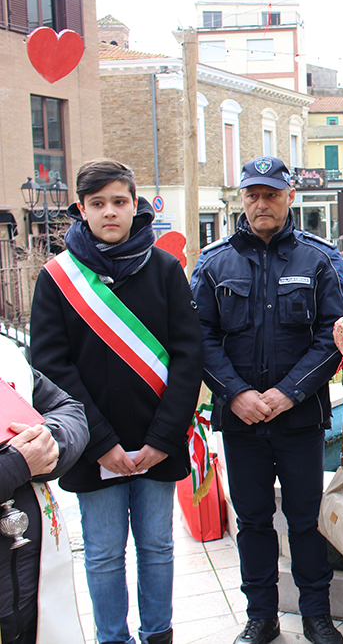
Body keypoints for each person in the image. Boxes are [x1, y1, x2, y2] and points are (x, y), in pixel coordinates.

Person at [30, 159, 204, 644]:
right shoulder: (56, 278)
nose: (110, 212)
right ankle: (113, 639)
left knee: (157, 546)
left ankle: (158, 635)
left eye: (120, 202)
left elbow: (189, 357)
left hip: (156, 442)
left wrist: (163, 438)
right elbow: (50, 369)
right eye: (98, 203)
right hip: (93, 444)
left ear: (136, 206)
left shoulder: (166, 270)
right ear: (81, 210)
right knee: (105, 553)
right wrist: (101, 443)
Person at [190, 156, 343, 644]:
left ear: (290, 197)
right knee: (254, 522)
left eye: (272, 194)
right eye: (252, 195)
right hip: (241, 423)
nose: (262, 204)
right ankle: (260, 616)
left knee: (306, 521)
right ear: (241, 198)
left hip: (299, 419)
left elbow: (336, 336)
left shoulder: (320, 259)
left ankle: (316, 616)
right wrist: (236, 394)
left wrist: (288, 393)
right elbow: (198, 337)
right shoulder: (214, 262)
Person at [0, 337, 88, 644]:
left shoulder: (4, 353)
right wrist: (15, 466)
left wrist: (49, 442)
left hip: (31, 590)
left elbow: (67, 408)